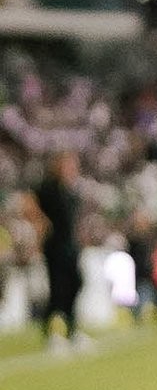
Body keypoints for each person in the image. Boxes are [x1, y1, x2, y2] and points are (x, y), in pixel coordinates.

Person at [25, 151, 90, 355]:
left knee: (77, 283)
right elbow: (28, 202)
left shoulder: (70, 189)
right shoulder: (49, 187)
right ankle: (52, 332)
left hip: (70, 246)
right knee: (58, 289)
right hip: (55, 246)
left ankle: (71, 330)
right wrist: (41, 223)